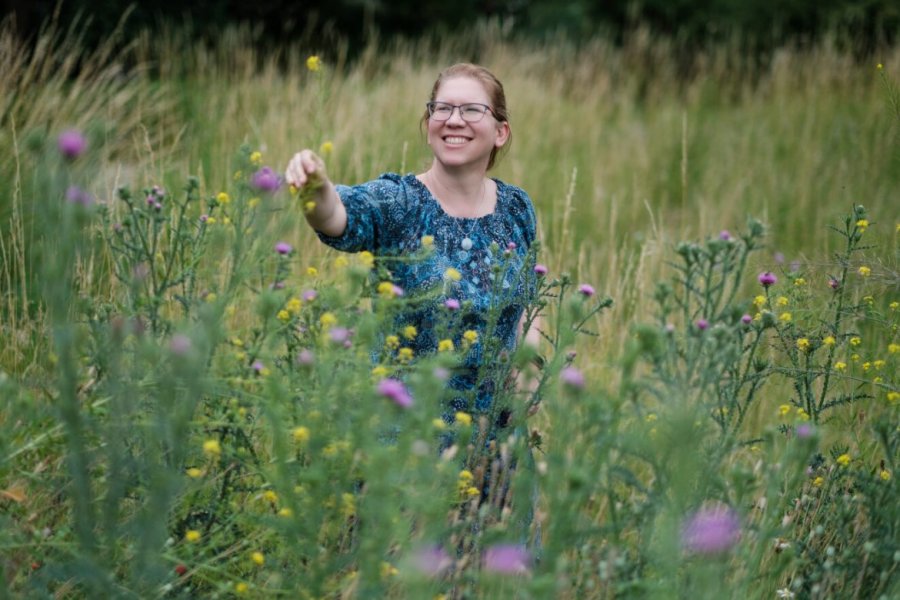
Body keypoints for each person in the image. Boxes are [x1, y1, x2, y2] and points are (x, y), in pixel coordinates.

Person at [284, 62, 540, 445]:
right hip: (404, 449)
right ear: (429, 123)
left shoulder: (517, 207)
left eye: (472, 109)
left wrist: (530, 371)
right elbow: (337, 216)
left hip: (496, 445)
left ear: (500, 131)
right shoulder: (399, 202)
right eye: (442, 108)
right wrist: (315, 190)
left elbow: (529, 305)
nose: (454, 120)